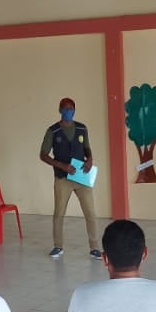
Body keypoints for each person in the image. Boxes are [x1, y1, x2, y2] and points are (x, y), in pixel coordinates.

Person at [38, 97, 102, 260]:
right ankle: (58, 246)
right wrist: (61, 165)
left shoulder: (82, 128)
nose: (68, 112)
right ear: (60, 110)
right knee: (59, 213)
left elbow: (87, 148)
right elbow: (43, 155)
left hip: (81, 177)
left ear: (74, 110)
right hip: (63, 178)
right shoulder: (53, 131)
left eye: (71, 109)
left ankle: (94, 248)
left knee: (90, 212)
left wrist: (90, 159)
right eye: (65, 109)